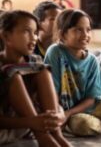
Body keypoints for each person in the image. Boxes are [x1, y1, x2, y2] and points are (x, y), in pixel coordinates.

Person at [0, 10, 70, 146]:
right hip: (8, 127)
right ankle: (44, 139)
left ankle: (57, 137)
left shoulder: (35, 61)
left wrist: (59, 115)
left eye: (35, 33)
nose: (34, 38)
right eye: (27, 31)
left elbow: (55, 102)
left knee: (42, 70)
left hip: (28, 127)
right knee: (13, 74)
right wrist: (32, 122)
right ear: (6, 36)